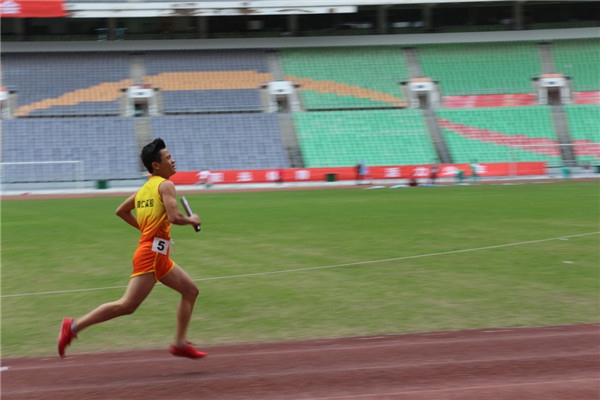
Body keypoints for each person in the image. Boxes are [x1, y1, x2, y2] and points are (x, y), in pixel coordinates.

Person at [57, 138, 206, 359]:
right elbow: (174, 217)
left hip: (157, 254)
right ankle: (72, 327)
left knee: (190, 291)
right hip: (152, 255)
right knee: (127, 305)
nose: (173, 160)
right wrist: (192, 220)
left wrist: (145, 230)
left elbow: (121, 211)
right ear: (156, 165)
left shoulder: (144, 189)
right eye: (168, 158)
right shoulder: (166, 185)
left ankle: (180, 344)